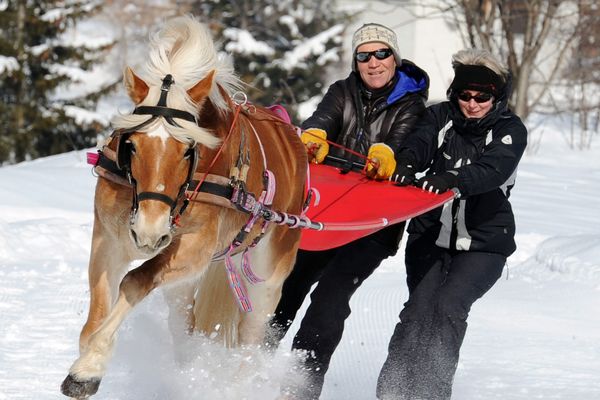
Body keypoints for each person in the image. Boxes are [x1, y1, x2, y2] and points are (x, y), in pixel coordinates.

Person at [266, 23, 429, 399]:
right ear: (356, 62)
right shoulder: (342, 91)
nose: (373, 63)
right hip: (325, 215)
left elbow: (405, 144)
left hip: (370, 226)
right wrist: (314, 137)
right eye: (364, 56)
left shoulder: (413, 102)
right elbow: (322, 120)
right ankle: (247, 368)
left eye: (381, 54)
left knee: (329, 301)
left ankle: (299, 390)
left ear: (394, 57)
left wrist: (388, 154)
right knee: (284, 291)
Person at [376, 48, 528, 400]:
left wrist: (449, 179)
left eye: (482, 97)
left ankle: (432, 393)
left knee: (447, 309)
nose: (472, 104)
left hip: (485, 242)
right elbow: (418, 145)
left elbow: (492, 171)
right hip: (431, 235)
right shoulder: (439, 117)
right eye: (464, 95)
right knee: (417, 313)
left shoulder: (509, 129)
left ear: (496, 97)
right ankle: (393, 391)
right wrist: (406, 166)